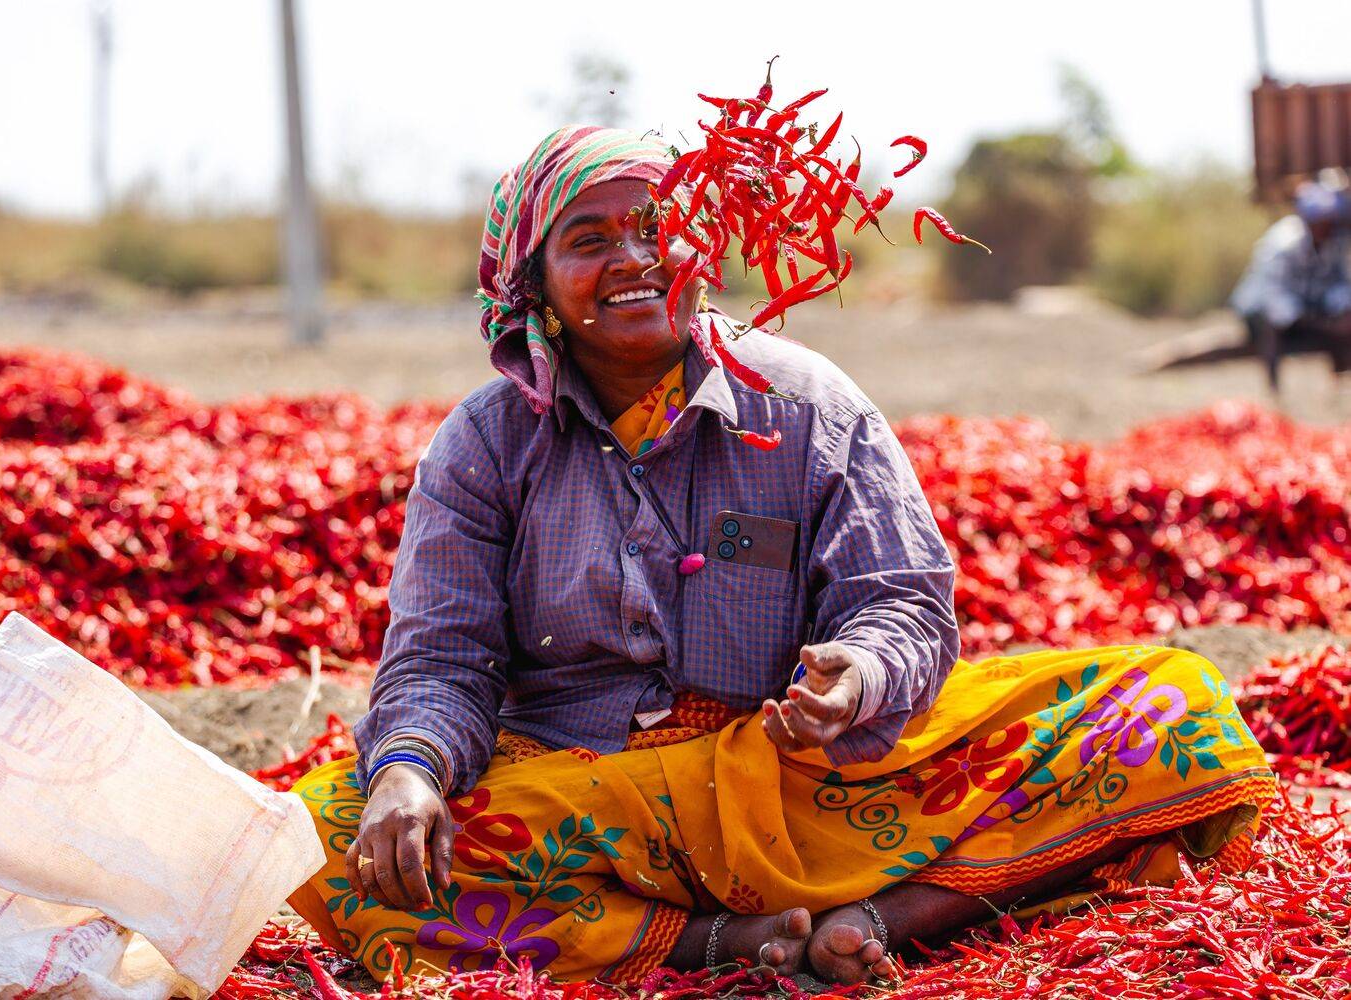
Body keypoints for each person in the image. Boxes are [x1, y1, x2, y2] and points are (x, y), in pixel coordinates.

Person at [286, 126, 1274, 987]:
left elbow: (905, 602)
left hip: (805, 780)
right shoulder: (489, 444)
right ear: (533, 281)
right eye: (589, 241)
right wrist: (409, 773)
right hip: (581, 794)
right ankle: (719, 940)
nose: (637, 258)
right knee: (322, 834)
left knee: (1170, 701)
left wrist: (857, 675)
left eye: (658, 228)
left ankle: (882, 919)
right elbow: (441, 655)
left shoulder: (807, 404)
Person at [1231, 179, 1351, 393]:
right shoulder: (1284, 243)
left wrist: (1342, 311)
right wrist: (1322, 325)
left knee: (1345, 320)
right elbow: (1276, 301)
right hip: (1260, 309)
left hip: (1304, 305)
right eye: (1322, 222)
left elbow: (1339, 283)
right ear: (1309, 221)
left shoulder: (1333, 243)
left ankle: (1339, 384)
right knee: (1271, 325)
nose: (1327, 228)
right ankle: (1274, 390)